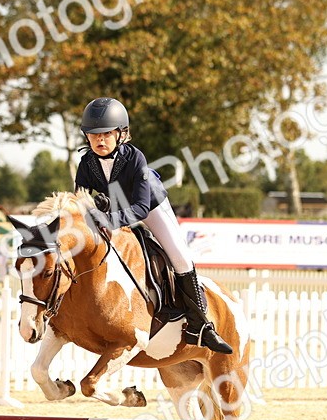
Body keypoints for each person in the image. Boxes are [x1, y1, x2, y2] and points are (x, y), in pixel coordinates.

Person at [74, 97, 232, 354]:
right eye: (93, 135)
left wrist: (108, 219)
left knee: (180, 256)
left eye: (106, 134)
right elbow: (79, 201)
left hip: (150, 207)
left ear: (120, 134)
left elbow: (140, 208)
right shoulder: (86, 164)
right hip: (113, 209)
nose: (99, 140)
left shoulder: (135, 158)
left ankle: (200, 325)